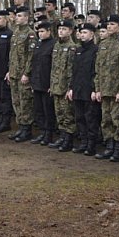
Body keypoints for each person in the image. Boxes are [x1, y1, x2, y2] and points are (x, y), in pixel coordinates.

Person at [94, 14, 119, 161]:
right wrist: (97, 88)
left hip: (116, 90)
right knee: (106, 120)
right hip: (104, 89)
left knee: (118, 120)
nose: (109, 27)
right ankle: (109, 147)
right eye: (108, 24)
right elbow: (98, 68)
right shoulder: (103, 44)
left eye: (113, 24)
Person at [68, 23, 101, 155]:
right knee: (80, 117)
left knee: (90, 118)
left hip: (89, 89)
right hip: (78, 88)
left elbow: (96, 71)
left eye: (85, 32)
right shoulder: (78, 50)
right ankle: (83, 142)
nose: (82, 35)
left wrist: (94, 89)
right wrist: (71, 88)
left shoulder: (95, 50)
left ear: (92, 34)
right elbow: (74, 71)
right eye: (81, 33)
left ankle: (91, 144)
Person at [7, 6, 36, 142]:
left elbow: (31, 56)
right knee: (16, 101)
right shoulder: (15, 32)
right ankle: (20, 127)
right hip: (14, 72)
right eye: (16, 16)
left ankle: (26, 129)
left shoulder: (30, 34)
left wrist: (27, 73)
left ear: (26, 17)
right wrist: (9, 70)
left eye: (19, 16)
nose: (17, 18)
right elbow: (12, 54)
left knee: (25, 102)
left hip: (23, 74)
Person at [50, 19, 77, 151]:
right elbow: (53, 68)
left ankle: (68, 139)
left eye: (64, 29)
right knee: (59, 113)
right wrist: (52, 84)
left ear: (70, 31)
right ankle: (62, 136)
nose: (61, 31)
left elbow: (71, 70)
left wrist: (70, 88)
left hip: (65, 87)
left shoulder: (72, 48)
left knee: (67, 114)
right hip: (56, 85)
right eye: (60, 29)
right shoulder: (57, 46)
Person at [29, 21, 56, 145]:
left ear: (49, 32)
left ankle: (49, 134)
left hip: (46, 83)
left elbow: (54, 67)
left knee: (48, 110)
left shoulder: (53, 44)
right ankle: (42, 132)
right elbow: (34, 63)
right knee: (38, 109)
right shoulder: (38, 45)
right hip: (37, 82)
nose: (40, 34)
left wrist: (52, 84)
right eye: (39, 32)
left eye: (42, 31)